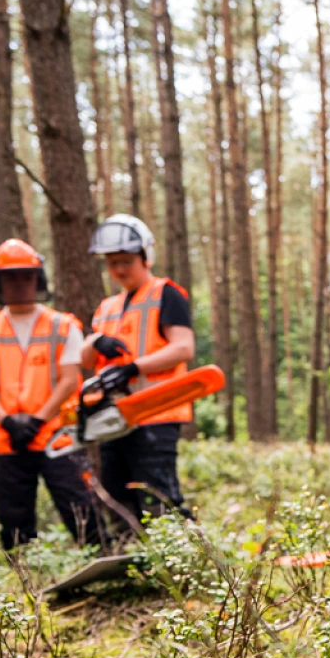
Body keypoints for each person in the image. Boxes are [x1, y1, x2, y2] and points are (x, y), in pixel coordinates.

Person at [0, 239, 105, 550]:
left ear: (38, 279)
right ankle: (25, 576)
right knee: (13, 516)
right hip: (3, 437)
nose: (19, 284)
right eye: (10, 277)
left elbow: (70, 379)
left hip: (56, 434)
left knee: (79, 503)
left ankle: (101, 558)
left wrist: (37, 419)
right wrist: (8, 421)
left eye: (26, 276)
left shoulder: (62, 325)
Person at [81, 214, 196, 525]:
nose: (119, 269)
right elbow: (84, 361)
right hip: (114, 418)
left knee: (159, 498)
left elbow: (183, 347)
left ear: (145, 257)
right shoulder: (107, 307)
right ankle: (131, 565)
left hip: (156, 415)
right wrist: (96, 341)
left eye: (126, 261)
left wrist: (133, 367)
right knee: (118, 499)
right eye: (112, 262)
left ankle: (185, 563)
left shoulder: (165, 293)